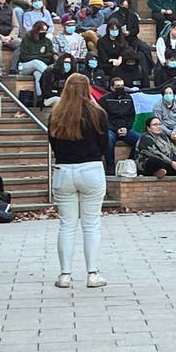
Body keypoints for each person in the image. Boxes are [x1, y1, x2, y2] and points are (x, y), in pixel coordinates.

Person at [45, 72, 109, 288]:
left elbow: (53, 144)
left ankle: (65, 275)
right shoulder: (97, 113)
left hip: (64, 170)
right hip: (90, 168)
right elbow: (103, 145)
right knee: (91, 224)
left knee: (67, 225)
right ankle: (92, 273)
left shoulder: (55, 114)